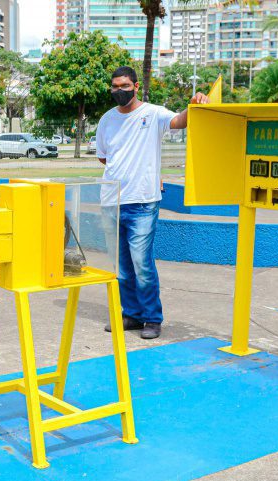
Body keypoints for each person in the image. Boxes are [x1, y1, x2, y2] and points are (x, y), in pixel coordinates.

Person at [96, 66, 209, 340]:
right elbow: (103, 157)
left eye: (124, 86)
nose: (119, 91)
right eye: (114, 86)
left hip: (143, 202)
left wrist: (196, 105)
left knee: (141, 263)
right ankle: (131, 314)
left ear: (136, 87)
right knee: (121, 267)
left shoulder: (153, 113)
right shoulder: (106, 120)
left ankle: (152, 318)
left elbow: (180, 121)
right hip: (112, 202)